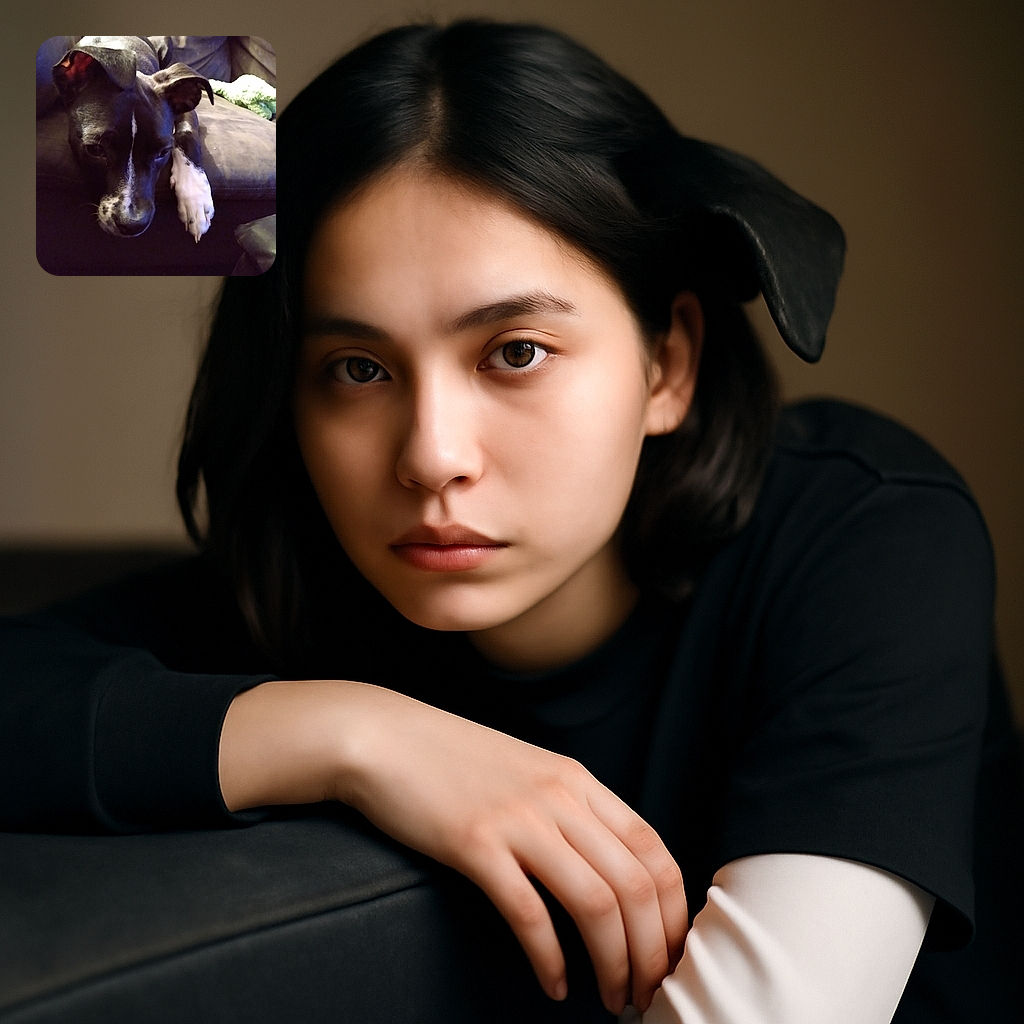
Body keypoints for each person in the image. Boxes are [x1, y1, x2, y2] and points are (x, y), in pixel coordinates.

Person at [2, 19, 1021, 1023]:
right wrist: (358, 736)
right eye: (356, 369)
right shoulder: (310, 593)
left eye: (515, 352)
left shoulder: (861, 533)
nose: (432, 456)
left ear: (666, 364)